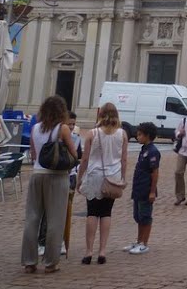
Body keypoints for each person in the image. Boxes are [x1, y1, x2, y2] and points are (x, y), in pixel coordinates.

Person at [22, 95, 79, 274]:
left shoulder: (35, 128)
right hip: (57, 176)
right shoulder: (62, 129)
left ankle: (29, 261)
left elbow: (33, 154)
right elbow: (74, 154)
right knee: (56, 219)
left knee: (32, 218)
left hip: (37, 174)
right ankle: (50, 262)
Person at [75, 102, 128, 265]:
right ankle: (102, 251)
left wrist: (79, 178)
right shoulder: (122, 134)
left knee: (92, 212)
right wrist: (122, 178)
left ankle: (89, 251)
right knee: (106, 213)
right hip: (112, 177)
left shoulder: (93, 133)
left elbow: (84, 159)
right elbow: (124, 159)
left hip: (95, 175)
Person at [38, 111, 82, 258]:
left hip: (70, 176)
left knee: (64, 211)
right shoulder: (55, 134)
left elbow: (78, 156)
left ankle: (60, 240)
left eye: (73, 124)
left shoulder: (76, 138)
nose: (71, 127)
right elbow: (74, 155)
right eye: (69, 124)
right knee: (48, 211)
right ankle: (43, 241)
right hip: (56, 175)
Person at [125, 122, 160, 255]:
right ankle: (139, 241)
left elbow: (155, 172)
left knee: (145, 216)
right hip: (139, 188)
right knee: (138, 216)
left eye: (140, 135)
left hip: (146, 189)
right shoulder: (144, 149)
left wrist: (152, 191)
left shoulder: (153, 152)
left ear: (148, 136)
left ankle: (144, 243)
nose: (137, 137)